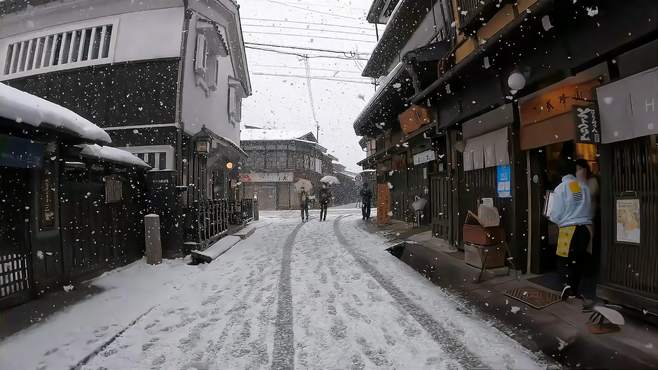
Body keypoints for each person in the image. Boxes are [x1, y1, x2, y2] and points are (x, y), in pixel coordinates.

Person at [548, 160, 593, 301]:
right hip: (585, 229)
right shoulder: (583, 187)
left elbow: (555, 213)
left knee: (563, 260)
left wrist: (554, 218)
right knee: (578, 261)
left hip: (568, 230)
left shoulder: (561, 188)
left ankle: (566, 285)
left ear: (561, 174)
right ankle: (574, 290)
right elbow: (589, 209)